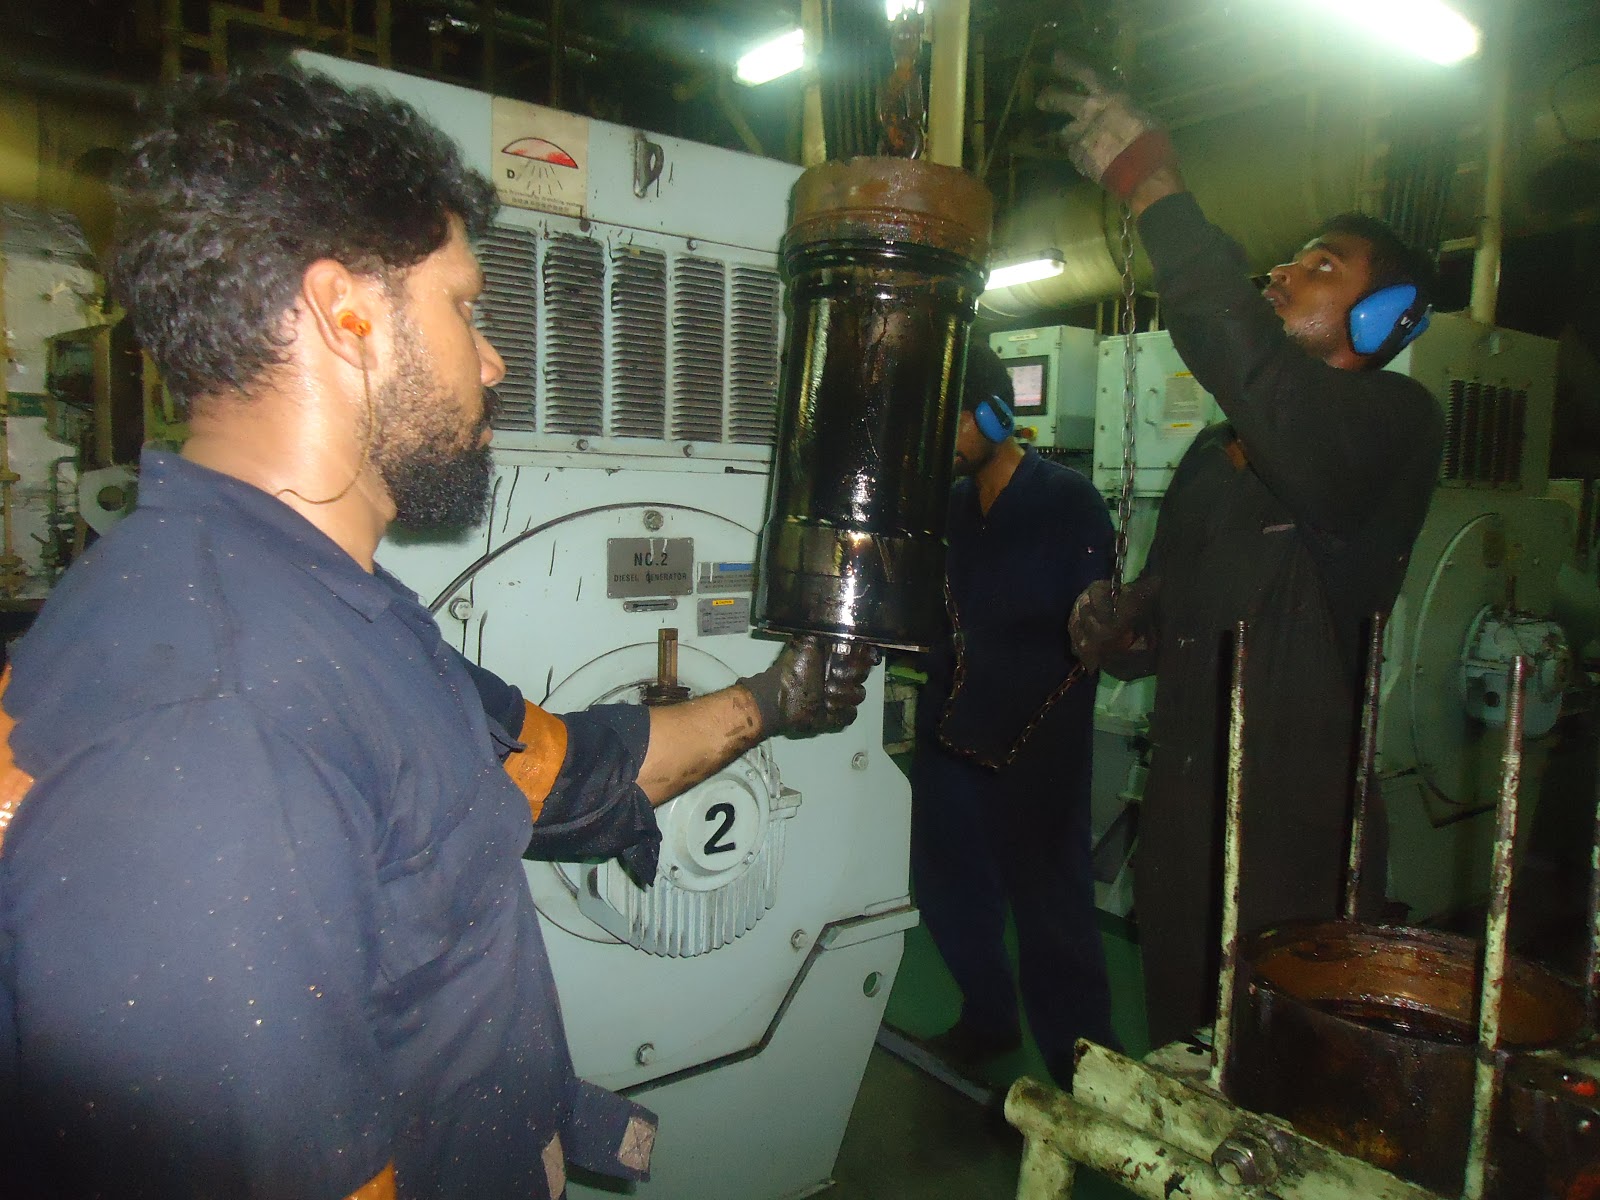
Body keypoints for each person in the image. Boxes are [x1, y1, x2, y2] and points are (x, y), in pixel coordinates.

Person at [0, 63, 874, 1200]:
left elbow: (554, 778)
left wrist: (773, 702)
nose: (496, 358)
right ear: (343, 314)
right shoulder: (216, 723)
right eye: (464, 305)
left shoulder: (326, 613)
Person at [1047, 63, 1445, 1048]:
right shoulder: (1211, 459)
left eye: (1316, 265)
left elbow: (1253, 368)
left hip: (1297, 844)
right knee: (1185, 1060)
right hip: (1183, 825)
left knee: (1283, 1078)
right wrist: (1120, 630)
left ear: (1379, 317)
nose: (1279, 273)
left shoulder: (1392, 425)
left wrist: (1151, 184)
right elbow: (1171, 614)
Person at [909, 343, 1119, 1089]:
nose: (943, 441)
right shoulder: (951, 507)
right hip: (951, 735)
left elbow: (1097, 632)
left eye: (954, 421)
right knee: (946, 888)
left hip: (1039, 744)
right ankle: (988, 1019)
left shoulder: (1069, 502)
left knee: (1052, 917)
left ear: (996, 414)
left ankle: (1083, 1074)